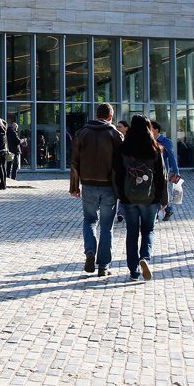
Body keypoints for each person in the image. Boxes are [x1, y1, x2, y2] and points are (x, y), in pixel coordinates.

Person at [69, 102, 122, 276]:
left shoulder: (82, 133)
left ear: (96, 114)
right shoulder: (115, 135)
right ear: (110, 117)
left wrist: (74, 187)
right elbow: (122, 163)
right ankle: (103, 265)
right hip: (109, 186)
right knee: (107, 226)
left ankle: (90, 251)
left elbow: (75, 162)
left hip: (89, 184)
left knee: (90, 220)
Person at [114, 115, 168, 281]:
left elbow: (117, 174)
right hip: (150, 198)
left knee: (131, 234)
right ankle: (144, 257)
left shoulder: (123, 149)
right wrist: (164, 200)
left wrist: (120, 196)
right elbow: (162, 176)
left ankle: (133, 271)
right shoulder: (154, 149)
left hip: (129, 198)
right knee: (148, 230)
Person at [151, 119, 180, 221]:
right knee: (154, 191)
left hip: (163, 172)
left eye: (150, 128)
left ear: (156, 130)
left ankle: (158, 213)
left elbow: (172, 157)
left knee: (160, 191)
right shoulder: (149, 140)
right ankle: (167, 210)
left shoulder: (165, 141)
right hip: (151, 171)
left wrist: (176, 172)